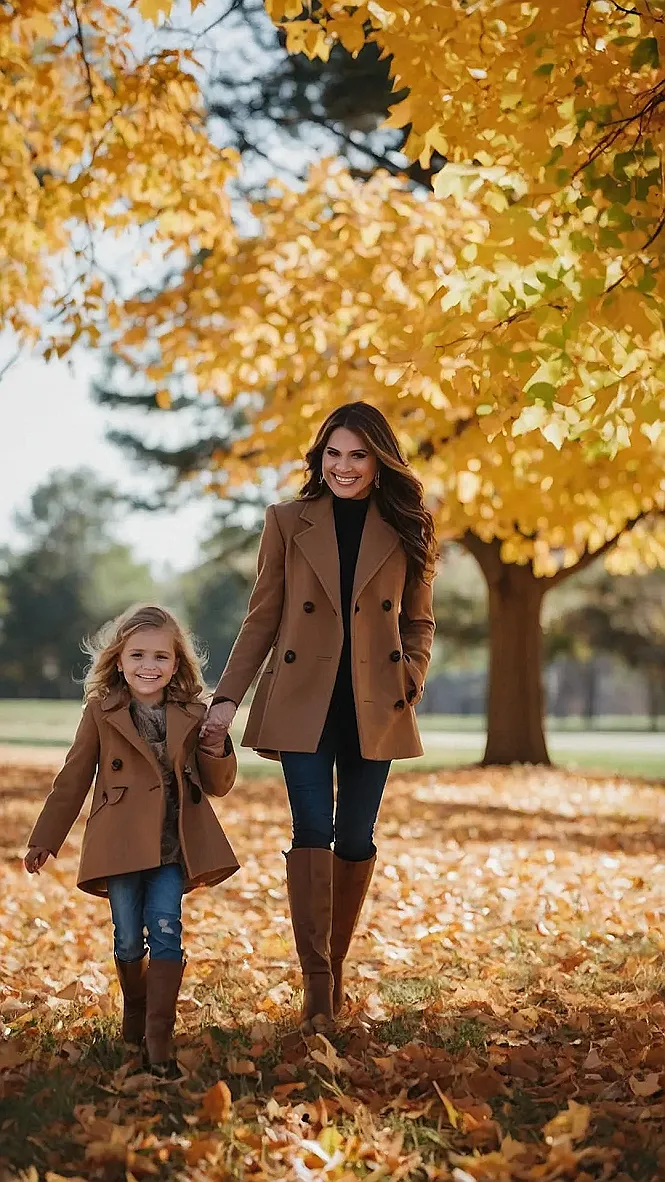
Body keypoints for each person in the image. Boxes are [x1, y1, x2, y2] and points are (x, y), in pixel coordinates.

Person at [201, 401, 437, 1033]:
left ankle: (334, 966)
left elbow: (419, 620)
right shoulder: (286, 521)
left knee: (355, 839)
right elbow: (262, 616)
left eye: (357, 454)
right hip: (302, 701)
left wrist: (409, 677)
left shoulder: (408, 524)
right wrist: (227, 697)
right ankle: (318, 989)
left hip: (374, 705)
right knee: (312, 830)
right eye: (333, 453)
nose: (343, 466)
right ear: (319, 458)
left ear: (379, 461)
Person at [24, 604, 238, 1076]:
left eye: (161, 657)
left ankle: (158, 1039)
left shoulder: (192, 712)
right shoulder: (101, 712)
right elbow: (74, 777)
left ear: (176, 663)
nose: (149, 666)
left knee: (165, 927)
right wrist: (46, 837)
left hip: (172, 845)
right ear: (118, 660)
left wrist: (215, 745)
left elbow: (217, 783)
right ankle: (135, 1014)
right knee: (126, 938)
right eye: (138, 654)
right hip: (120, 844)